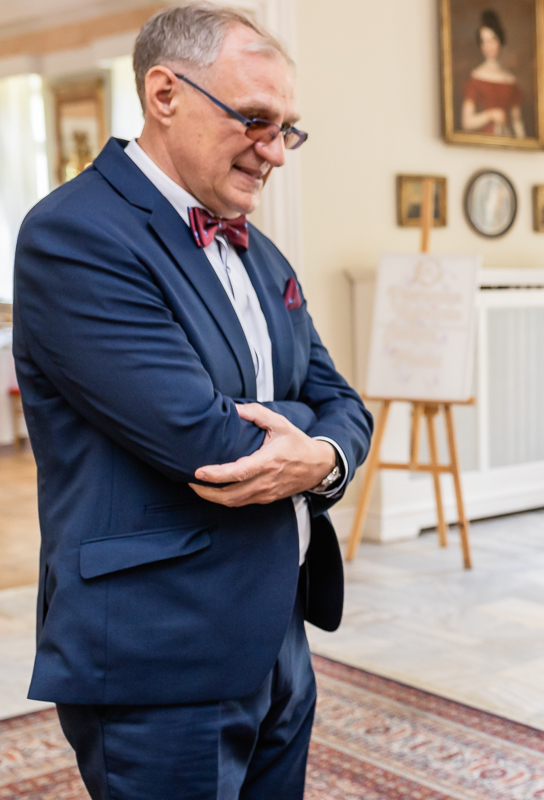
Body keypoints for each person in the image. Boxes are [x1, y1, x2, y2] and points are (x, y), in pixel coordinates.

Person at [11, 3, 372, 797]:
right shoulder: (75, 234)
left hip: (278, 633)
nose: (274, 150)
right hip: (160, 648)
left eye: (287, 129)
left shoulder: (260, 249)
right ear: (165, 94)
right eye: (255, 119)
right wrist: (310, 432)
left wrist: (319, 453)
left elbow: (342, 400)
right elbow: (207, 441)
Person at [460, 9, 525, 138]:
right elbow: (466, 122)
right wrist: (491, 115)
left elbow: (517, 122)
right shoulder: (476, 78)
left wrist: (522, 142)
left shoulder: (510, 80)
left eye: (491, 40)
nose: (487, 47)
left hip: (506, 140)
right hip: (483, 141)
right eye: (483, 42)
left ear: (500, 41)